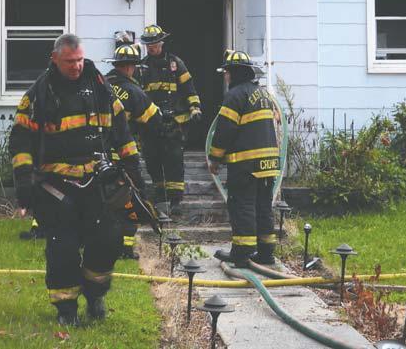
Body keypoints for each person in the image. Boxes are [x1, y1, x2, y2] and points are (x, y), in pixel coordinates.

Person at [8, 34, 141, 326]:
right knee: (63, 248)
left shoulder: (100, 87)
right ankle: (66, 310)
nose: (77, 66)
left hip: (96, 182)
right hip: (56, 186)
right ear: (55, 59)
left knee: (108, 239)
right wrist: (24, 187)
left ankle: (95, 296)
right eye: (70, 61)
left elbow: (121, 130)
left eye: (80, 60)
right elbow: (20, 143)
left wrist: (133, 170)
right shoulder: (39, 95)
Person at [208, 50, 280, 268]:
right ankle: (266, 253)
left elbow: (224, 130)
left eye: (227, 72)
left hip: (246, 165)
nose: (225, 76)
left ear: (234, 73)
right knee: (263, 207)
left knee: (243, 206)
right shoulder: (264, 94)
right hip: (269, 164)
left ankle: (242, 254)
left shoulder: (235, 96)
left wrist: (215, 158)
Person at [104, 44, 162, 259]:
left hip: (97, 156)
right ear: (130, 68)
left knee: (100, 202)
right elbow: (154, 120)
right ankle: (126, 248)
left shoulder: (100, 86)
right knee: (130, 199)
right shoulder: (133, 91)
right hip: (123, 156)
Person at [138, 25, 201, 212]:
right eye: (149, 45)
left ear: (161, 43)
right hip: (151, 123)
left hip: (175, 121)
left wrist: (195, 108)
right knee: (152, 159)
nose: (152, 48)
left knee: (174, 160)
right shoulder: (141, 67)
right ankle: (160, 197)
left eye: (155, 44)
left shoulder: (176, 64)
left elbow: (189, 88)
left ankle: (175, 202)